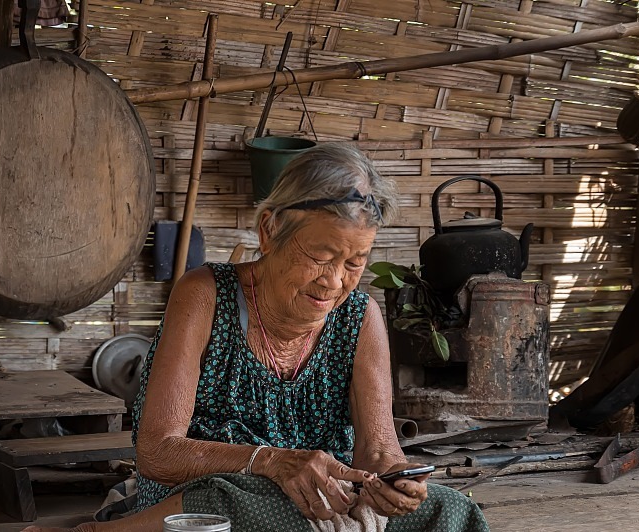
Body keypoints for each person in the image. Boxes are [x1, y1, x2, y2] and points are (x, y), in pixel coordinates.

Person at [25, 144, 489, 531]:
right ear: (269, 231)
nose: (333, 282)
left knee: (451, 512)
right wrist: (271, 462)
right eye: (321, 256)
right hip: (209, 497)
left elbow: (379, 450)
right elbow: (157, 452)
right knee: (242, 506)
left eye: (353, 263)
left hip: (319, 500)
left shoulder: (359, 316)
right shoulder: (206, 294)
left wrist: (396, 481)